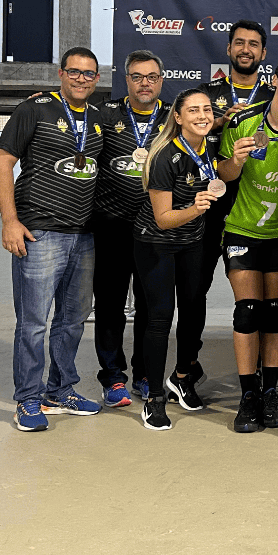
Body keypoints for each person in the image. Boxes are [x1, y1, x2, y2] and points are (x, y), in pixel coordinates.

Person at [0, 46, 105, 432]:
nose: (81, 78)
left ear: (97, 79)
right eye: (74, 71)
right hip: (39, 232)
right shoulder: (35, 109)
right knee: (33, 322)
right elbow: (2, 161)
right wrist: (10, 221)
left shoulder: (98, 118)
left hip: (83, 235)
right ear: (60, 74)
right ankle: (27, 398)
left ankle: (61, 389)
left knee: (73, 320)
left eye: (89, 73)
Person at [217, 54, 278, 433]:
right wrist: (237, 161)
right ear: (275, 79)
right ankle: (248, 395)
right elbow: (223, 175)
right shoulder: (244, 120)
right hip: (242, 229)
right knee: (248, 310)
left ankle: (270, 392)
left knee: (274, 311)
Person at [191, 19, 277, 388]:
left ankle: (258, 371)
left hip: (259, 206)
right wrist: (215, 124)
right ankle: (187, 366)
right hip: (211, 206)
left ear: (263, 53)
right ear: (228, 49)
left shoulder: (274, 97)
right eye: (239, 43)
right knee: (195, 289)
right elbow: (180, 133)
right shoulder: (205, 95)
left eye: (253, 44)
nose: (246, 49)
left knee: (259, 302)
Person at [133, 87, 219, 431]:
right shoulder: (165, 155)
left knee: (194, 308)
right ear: (178, 117)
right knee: (160, 317)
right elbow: (163, 218)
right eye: (194, 110)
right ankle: (154, 397)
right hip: (157, 242)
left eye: (207, 109)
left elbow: (219, 174)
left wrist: (238, 161)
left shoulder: (209, 146)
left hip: (192, 241)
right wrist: (194, 209)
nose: (202, 115)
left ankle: (182, 378)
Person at [91, 49, 169, 407]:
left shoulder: (173, 117)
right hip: (111, 225)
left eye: (151, 77)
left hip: (155, 228)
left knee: (152, 308)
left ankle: (145, 374)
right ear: (126, 81)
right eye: (137, 76)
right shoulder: (105, 113)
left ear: (161, 81)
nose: (145, 83)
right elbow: (72, 114)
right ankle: (113, 377)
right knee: (109, 305)